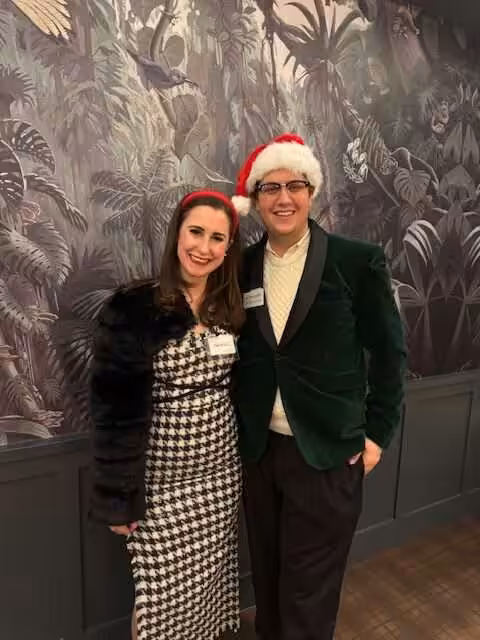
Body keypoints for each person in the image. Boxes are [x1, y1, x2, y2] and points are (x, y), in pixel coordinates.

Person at [231, 133, 407, 640]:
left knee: (309, 593)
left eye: (295, 185)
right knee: (268, 581)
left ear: (312, 192)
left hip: (328, 454)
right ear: (257, 198)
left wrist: (377, 436)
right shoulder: (242, 267)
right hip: (261, 453)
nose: (283, 198)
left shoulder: (356, 260)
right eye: (271, 188)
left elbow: (390, 353)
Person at [89, 190, 245, 640]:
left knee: (204, 592)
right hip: (159, 484)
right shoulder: (133, 306)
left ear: (228, 247)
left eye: (217, 238)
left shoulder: (229, 304)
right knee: (158, 598)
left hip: (220, 476)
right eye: (196, 232)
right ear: (177, 233)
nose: (204, 247)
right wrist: (119, 498)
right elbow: (112, 409)